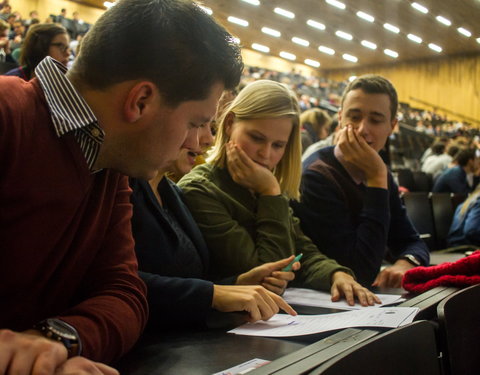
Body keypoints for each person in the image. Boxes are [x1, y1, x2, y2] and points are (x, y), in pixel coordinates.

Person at [0, 0, 243, 373]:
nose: (196, 141)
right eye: (195, 122)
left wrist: (54, 343)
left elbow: (125, 294)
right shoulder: (8, 115)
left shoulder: (110, 164)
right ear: (141, 100)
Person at [179, 80, 380, 306]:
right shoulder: (200, 189)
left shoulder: (266, 186)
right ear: (230, 124)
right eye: (256, 138)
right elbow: (267, 271)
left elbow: (303, 251)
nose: (265, 154)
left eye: (278, 145)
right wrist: (270, 193)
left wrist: (337, 274)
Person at [130, 121, 297, 330]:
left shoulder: (172, 192)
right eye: (196, 123)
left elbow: (191, 279)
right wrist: (214, 294)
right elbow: (116, 280)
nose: (208, 139)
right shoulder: (124, 188)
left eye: (278, 145)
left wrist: (238, 283)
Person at [292, 75, 429, 288]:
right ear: (340, 118)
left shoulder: (380, 174)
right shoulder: (316, 176)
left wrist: (406, 262)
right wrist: (375, 179)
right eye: (354, 117)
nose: (363, 128)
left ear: (392, 126)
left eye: (375, 120)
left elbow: (412, 241)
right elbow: (359, 270)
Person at [4, 23, 70, 80]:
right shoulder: (10, 83)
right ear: (40, 48)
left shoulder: (64, 83)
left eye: (68, 48)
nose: (68, 53)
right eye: (62, 47)